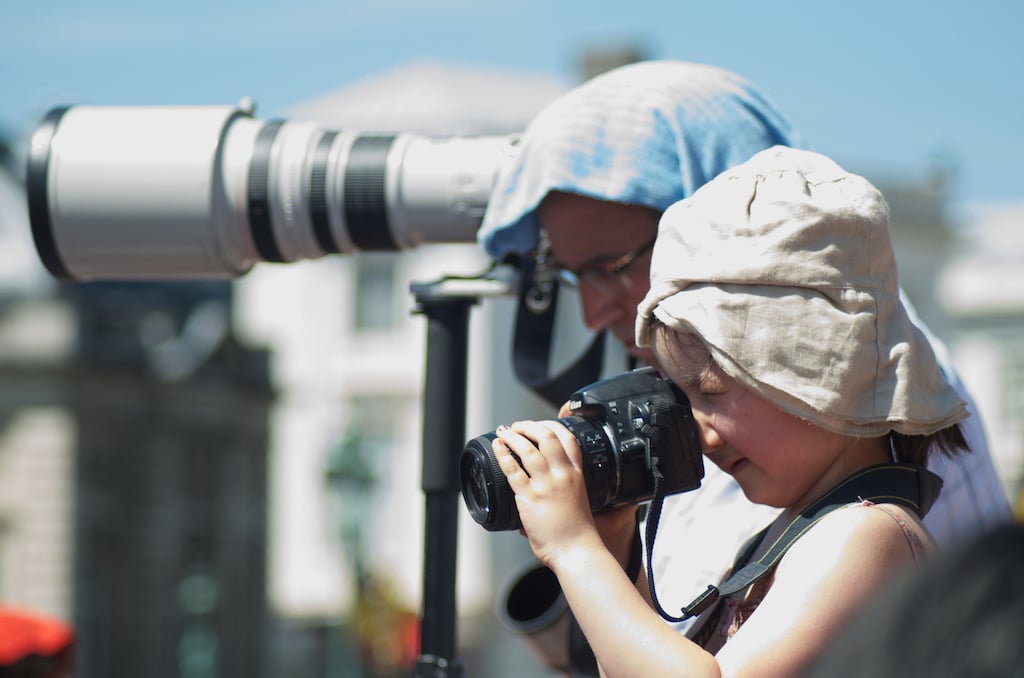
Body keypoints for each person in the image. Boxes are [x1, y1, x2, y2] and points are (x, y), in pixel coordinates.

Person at [476, 61, 1011, 667]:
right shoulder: (785, 531)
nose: (698, 430)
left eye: (709, 389)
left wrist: (576, 551)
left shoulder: (864, 534)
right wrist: (613, 547)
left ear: (808, 366)